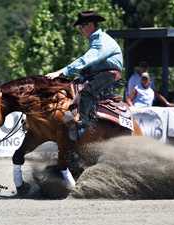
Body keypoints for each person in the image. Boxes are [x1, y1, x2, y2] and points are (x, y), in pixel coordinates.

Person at [46, 10, 123, 140]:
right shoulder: (96, 40)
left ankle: (83, 126)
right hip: (99, 73)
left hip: (108, 75)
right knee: (69, 88)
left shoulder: (101, 41)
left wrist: (61, 71)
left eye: (82, 26)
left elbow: (86, 60)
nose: (80, 30)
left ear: (90, 25)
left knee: (87, 92)